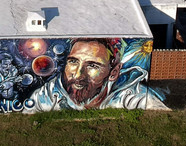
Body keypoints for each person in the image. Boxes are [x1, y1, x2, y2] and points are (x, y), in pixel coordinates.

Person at [25, 39, 165, 112]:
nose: (79, 75)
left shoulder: (133, 97)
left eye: (92, 65)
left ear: (114, 72)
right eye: (73, 62)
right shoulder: (48, 94)